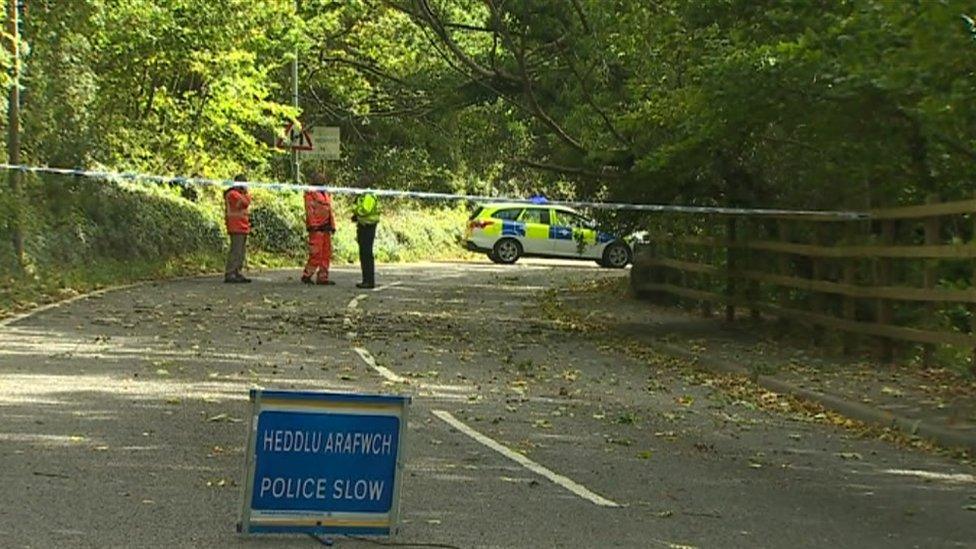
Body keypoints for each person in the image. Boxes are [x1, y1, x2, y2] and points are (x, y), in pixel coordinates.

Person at [301, 172, 336, 286]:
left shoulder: (326, 194)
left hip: (326, 227)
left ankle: (323, 276)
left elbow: (330, 211)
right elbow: (309, 210)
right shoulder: (310, 194)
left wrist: (333, 225)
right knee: (316, 253)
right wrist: (313, 225)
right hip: (316, 228)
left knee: (326, 253)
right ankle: (307, 275)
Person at [352, 174, 380, 289]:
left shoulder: (369, 196)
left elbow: (365, 209)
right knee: (364, 254)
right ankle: (366, 279)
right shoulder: (363, 195)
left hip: (368, 226)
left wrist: (356, 211)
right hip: (363, 225)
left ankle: (369, 281)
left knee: (366, 254)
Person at [223, 174, 252, 283]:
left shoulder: (239, 194)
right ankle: (230, 272)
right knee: (235, 250)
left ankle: (237, 271)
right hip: (235, 226)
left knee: (241, 252)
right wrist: (247, 194)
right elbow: (245, 203)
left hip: (242, 226)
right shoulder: (232, 194)